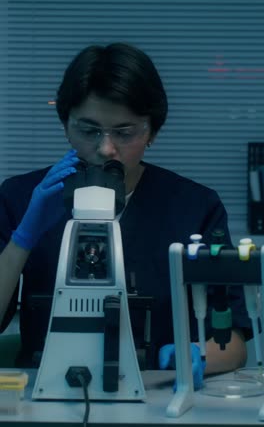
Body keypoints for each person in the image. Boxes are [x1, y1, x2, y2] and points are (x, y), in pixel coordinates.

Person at [0, 43, 251, 387]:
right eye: (88, 130)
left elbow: (233, 342)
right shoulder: (21, 196)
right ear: (65, 125)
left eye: (124, 132)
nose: (105, 148)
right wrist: (22, 238)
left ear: (152, 132)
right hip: (47, 395)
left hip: (157, 394)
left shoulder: (195, 206)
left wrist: (193, 356)